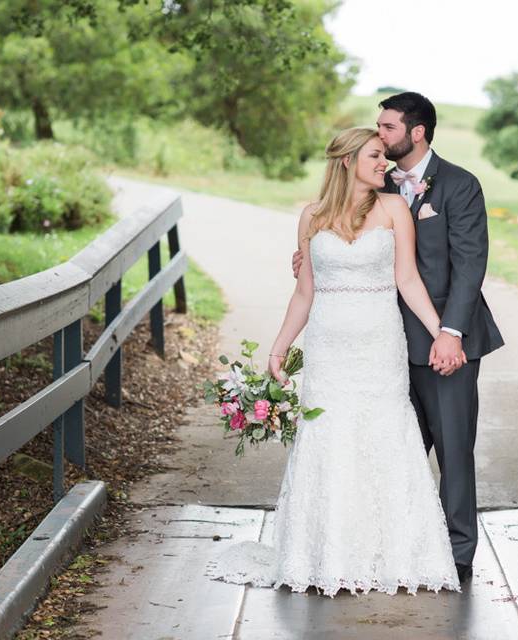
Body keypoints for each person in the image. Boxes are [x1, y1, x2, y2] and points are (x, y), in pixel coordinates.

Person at [207, 127, 459, 596]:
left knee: (382, 434)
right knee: (328, 438)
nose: (383, 162)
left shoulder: (393, 209)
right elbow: (305, 291)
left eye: (383, 156)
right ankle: (326, 554)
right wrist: (279, 346)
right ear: (347, 161)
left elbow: (407, 279)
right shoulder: (312, 216)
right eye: (374, 155)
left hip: (380, 347)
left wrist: (442, 333)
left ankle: (393, 556)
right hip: (328, 350)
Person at [292, 92, 503, 582]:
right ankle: (378, 547)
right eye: (377, 130)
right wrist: (310, 259)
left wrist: (450, 333)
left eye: (387, 128)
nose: (380, 139)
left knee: (453, 449)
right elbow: (339, 239)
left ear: (417, 132)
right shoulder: (372, 178)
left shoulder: (459, 185)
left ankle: (455, 556)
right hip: (379, 345)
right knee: (387, 450)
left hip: (443, 340)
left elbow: (470, 267)